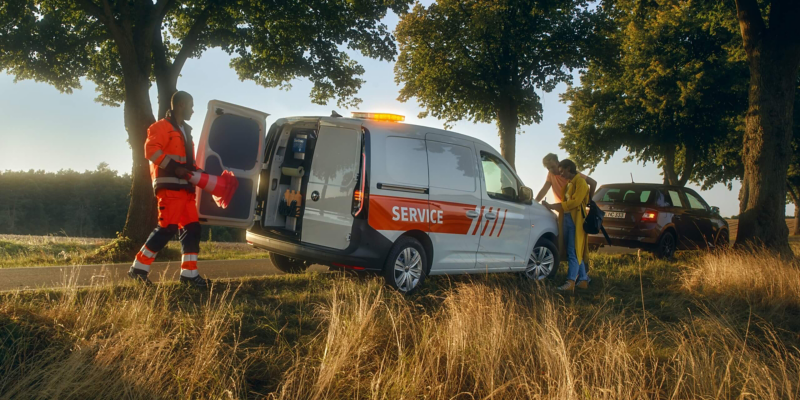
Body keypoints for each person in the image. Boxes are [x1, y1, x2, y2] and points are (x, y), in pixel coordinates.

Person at [128, 91, 209, 288]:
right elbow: (151, 151)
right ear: (181, 105)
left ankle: (189, 275)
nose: (192, 110)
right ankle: (138, 269)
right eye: (190, 105)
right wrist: (176, 168)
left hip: (186, 190)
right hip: (170, 187)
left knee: (192, 229)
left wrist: (201, 175)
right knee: (167, 228)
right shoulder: (160, 127)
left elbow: (189, 162)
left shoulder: (186, 131)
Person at [543, 159, 590, 291]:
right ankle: (583, 279)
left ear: (569, 168)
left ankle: (570, 282)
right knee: (574, 251)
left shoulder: (580, 182)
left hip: (576, 220)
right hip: (568, 218)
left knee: (573, 251)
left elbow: (575, 202)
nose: (560, 173)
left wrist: (555, 206)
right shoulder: (569, 184)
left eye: (562, 171)